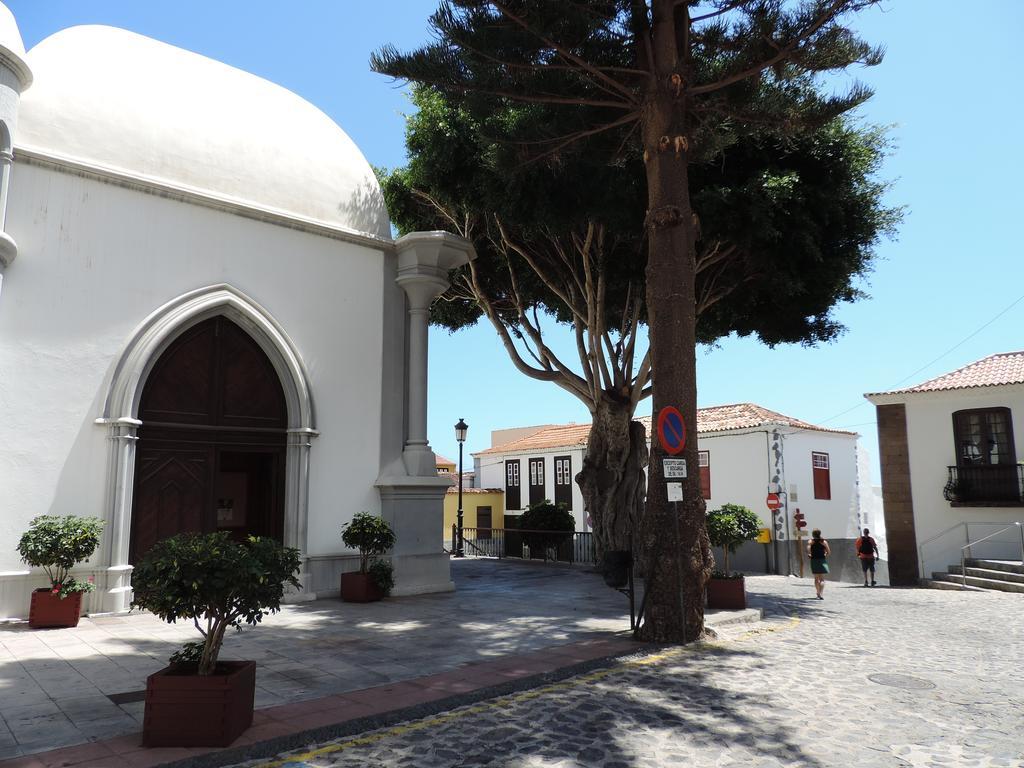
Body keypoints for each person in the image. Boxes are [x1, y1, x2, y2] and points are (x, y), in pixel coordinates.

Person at [806, 528, 830, 599]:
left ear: (813, 534)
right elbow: (829, 552)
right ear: (820, 534)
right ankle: (821, 593)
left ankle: (818, 593)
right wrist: (825, 554)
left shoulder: (811, 541)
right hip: (822, 560)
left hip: (814, 560)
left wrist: (809, 553)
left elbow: (808, 548)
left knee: (816, 578)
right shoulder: (824, 542)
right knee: (822, 579)